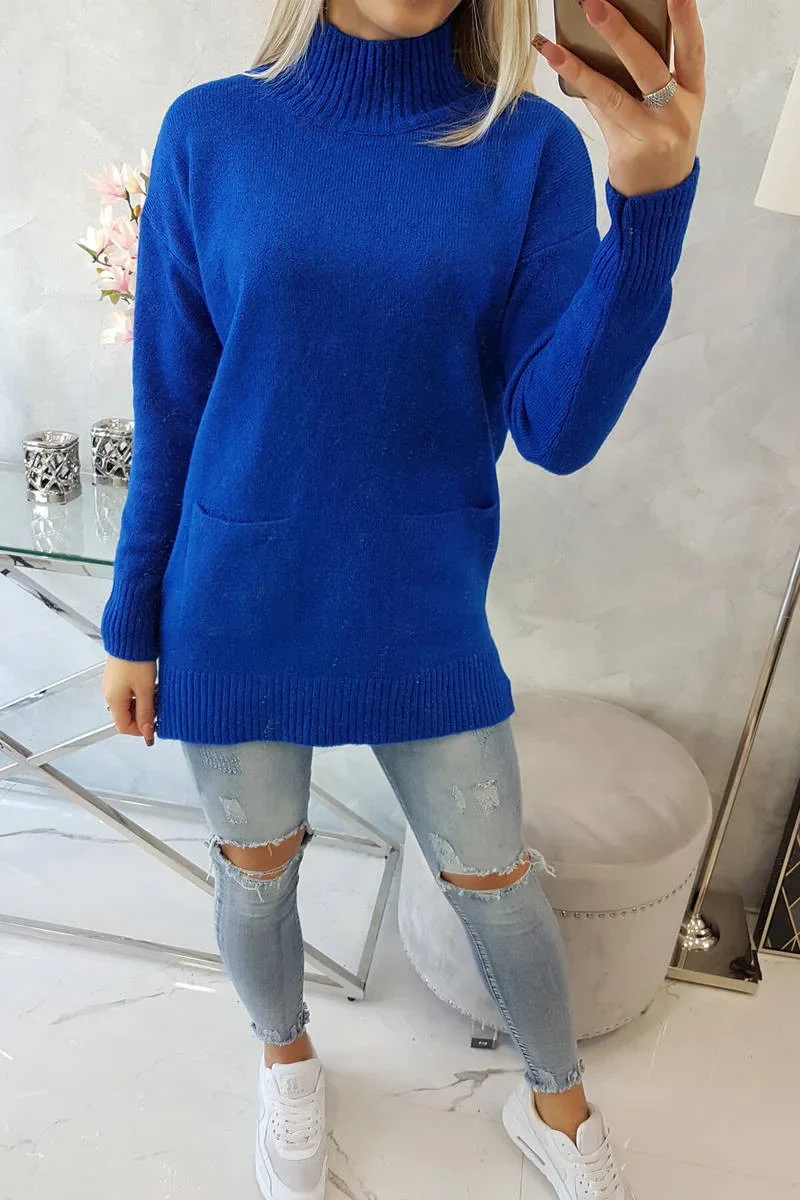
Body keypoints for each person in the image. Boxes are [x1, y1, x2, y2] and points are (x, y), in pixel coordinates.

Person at [101, 0, 705, 1195]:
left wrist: (648, 209)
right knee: (254, 873)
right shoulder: (210, 132)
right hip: (235, 593)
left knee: (492, 878)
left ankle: (557, 1103)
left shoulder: (524, 149)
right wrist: (132, 618)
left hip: (420, 597)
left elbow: (555, 430)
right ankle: (286, 1062)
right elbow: (171, 399)